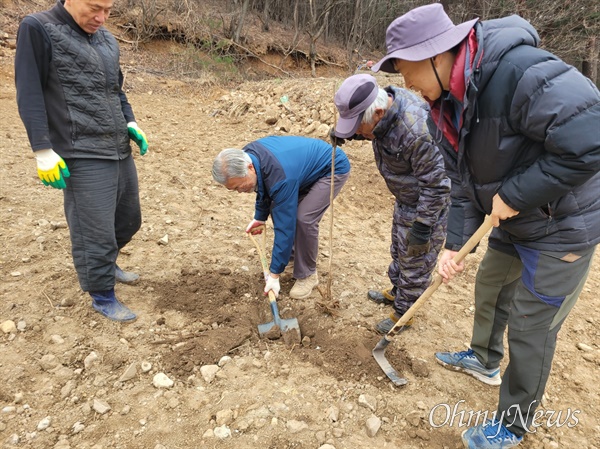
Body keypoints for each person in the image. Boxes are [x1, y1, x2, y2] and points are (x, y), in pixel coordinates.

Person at [372, 3, 600, 448]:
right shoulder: (446, 103)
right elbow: (461, 180)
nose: (408, 87)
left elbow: (591, 139)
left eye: (408, 72)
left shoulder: (520, 73)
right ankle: (483, 358)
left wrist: (516, 194)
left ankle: (512, 425)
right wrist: (455, 244)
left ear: (437, 55)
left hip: (563, 225)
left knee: (532, 328)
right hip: (516, 220)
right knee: (491, 287)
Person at [15, 0, 149, 322]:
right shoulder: (38, 28)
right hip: (79, 149)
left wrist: (129, 121)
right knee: (94, 232)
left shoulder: (105, 38)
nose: (101, 18)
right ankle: (102, 294)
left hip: (116, 144)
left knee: (129, 219)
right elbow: (28, 91)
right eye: (94, 8)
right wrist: (42, 150)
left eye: (108, 10)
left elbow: (115, 90)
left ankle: (108, 263)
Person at [332, 74, 450, 334]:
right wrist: (349, 133)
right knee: (399, 249)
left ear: (377, 113)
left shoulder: (417, 131)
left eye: (358, 127)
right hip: (406, 196)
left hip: (426, 204)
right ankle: (398, 292)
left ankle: (404, 312)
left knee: (415, 259)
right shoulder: (385, 108)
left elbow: (438, 185)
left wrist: (423, 225)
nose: (358, 133)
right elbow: (378, 132)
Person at [212, 136, 350, 299]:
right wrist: (260, 217)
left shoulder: (279, 177)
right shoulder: (247, 157)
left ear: (250, 168)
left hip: (331, 168)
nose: (239, 191)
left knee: (303, 219)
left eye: (238, 186)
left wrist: (274, 275)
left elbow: (285, 227)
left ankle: (308, 275)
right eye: (233, 189)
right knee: (279, 207)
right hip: (298, 173)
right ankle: (291, 260)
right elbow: (264, 184)